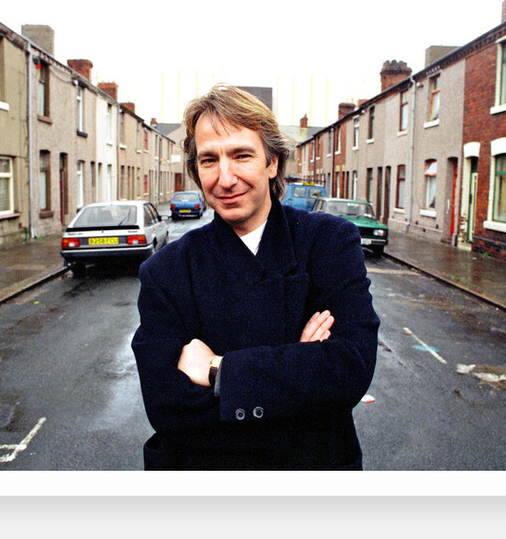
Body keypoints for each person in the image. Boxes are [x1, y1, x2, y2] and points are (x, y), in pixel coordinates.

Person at [130, 84, 379, 470]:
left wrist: (218, 370)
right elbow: (168, 408)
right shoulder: (167, 271)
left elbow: (349, 368)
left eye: (241, 155)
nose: (225, 178)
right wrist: (301, 376)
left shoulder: (329, 243)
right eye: (209, 160)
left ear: (272, 162)